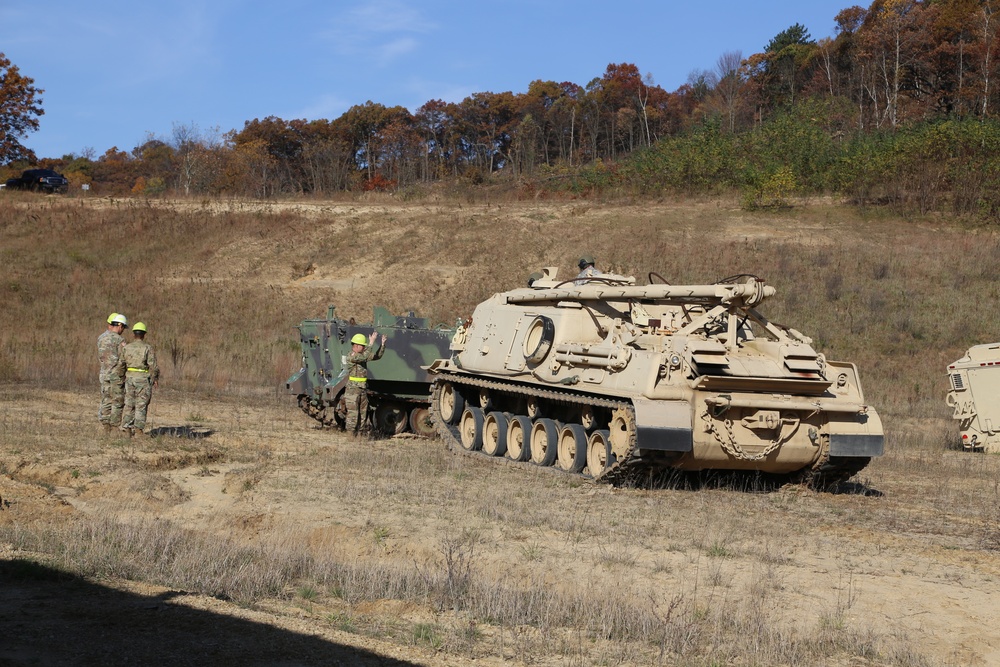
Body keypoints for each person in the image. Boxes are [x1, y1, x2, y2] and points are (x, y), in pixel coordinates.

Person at [116, 322, 160, 437]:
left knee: (129, 404)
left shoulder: (127, 348)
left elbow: (121, 364)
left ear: (134, 334)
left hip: (129, 379)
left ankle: (127, 430)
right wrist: (155, 378)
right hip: (143, 380)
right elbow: (153, 366)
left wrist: (121, 377)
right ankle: (139, 431)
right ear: (144, 334)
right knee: (141, 405)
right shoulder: (147, 348)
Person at [343, 331, 386, 436]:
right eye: (362, 346)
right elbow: (364, 356)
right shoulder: (351, 356)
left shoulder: (362, 355)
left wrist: (382, 345)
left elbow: (376, 356)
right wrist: (371, 343)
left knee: (363, 414)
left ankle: (360, 436)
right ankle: (350, 437)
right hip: (353, 390)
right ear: (356, 346)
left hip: (362, 389)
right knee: (353, 415)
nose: (364, 348)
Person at [98, 313, 128, 432]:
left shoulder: (101, 337)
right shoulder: (119, 340)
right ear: (119, 325)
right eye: (123, 327)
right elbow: (124, 357)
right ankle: (115, 427)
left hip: (104, 373)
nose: (123, 330)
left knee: (106, 398)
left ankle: (105, 425)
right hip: (116, 374)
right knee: (117, 400)